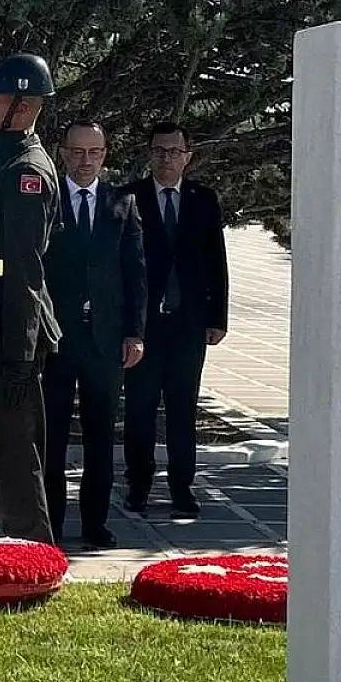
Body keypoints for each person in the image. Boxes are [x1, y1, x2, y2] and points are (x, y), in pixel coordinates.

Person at [0, 53, 63, 545]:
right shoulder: (4, 157)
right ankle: (22, 543)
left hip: (12, 323)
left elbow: (25, 268)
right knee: (6, 448)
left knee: (17, 451)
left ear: (23, 107)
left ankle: (34, 550)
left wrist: (20, 352)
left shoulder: (27, 172)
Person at [41, 119, 146, 547]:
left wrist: (135, 333)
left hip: (105, 340)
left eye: (94, 152)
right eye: (78, 151)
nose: (86, 160)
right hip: (56, 337)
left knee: (100, 436)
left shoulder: (122, 202)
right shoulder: (46, 201)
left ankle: (94, 524)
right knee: (51, 436)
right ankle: (49, 523)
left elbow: (136, 272)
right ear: (63, 153)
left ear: (105, 155)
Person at [121, 122, 229, 519]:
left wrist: (217, 317)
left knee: (183, 409)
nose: (166, 158)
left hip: (188, 324)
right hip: (144, 326)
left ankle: (182, 488)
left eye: (174, 151)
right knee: (140, 408)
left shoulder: (203, 199)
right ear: (149, 154)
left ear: (188, 156)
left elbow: (216, 260)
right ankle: (138, 485)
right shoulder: (130, 197)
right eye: (159, 150)